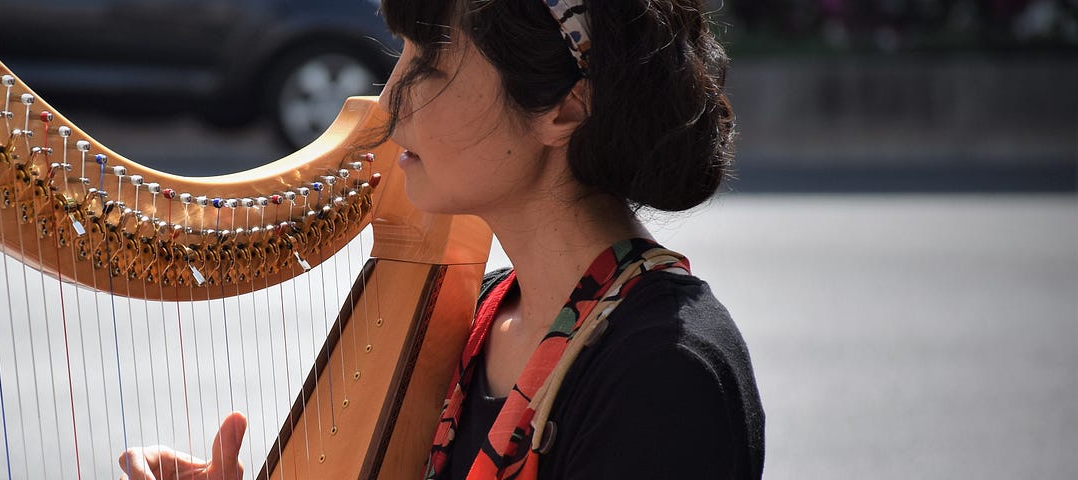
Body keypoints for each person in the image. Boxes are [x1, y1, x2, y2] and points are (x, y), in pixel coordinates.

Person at [118, 0, 764, 478]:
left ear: (564, 109)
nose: (390, 96)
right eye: (399, 55)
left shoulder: (664, 374)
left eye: (428, 63)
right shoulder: (475, 313)